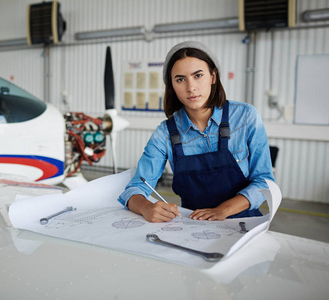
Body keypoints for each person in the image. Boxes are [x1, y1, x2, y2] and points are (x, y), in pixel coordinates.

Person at [118, 41, 275, 223]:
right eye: (180, 79)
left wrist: (222, 211)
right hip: (194, 226)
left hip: (243, 225)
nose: (191, 87)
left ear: (213, 76)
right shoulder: (165, 133)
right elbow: (135, 188)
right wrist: (146, 207)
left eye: (198, 75)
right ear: (171, 85)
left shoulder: (246, 117)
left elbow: (264, 182)